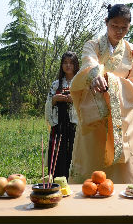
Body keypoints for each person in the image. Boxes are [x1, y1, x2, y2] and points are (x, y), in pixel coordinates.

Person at [68, 4, 133, 184]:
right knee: (91, 163)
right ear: (106, 22)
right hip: (95, 116)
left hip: (122, 117)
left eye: (124, 27)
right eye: (114, 26)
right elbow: (89, 62)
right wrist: (95, 76)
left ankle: (125, 206)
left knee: (123, 171)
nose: (119, 31)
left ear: (129, 26)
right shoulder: (92, 45)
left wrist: (111, 82)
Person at [44, 51, 80, 179]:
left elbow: (86, 103)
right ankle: (56, 180)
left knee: (73, 152)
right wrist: (55, 99)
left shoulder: (81, 83)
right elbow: (48, 103)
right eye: (65, 63)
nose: (68, 66)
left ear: (76, 65)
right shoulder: (55, 84)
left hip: (75, 126)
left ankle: (74, 181)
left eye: (71, 63)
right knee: (58, 153)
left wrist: (73, 99)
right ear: (61, 65)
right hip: (59, 125)